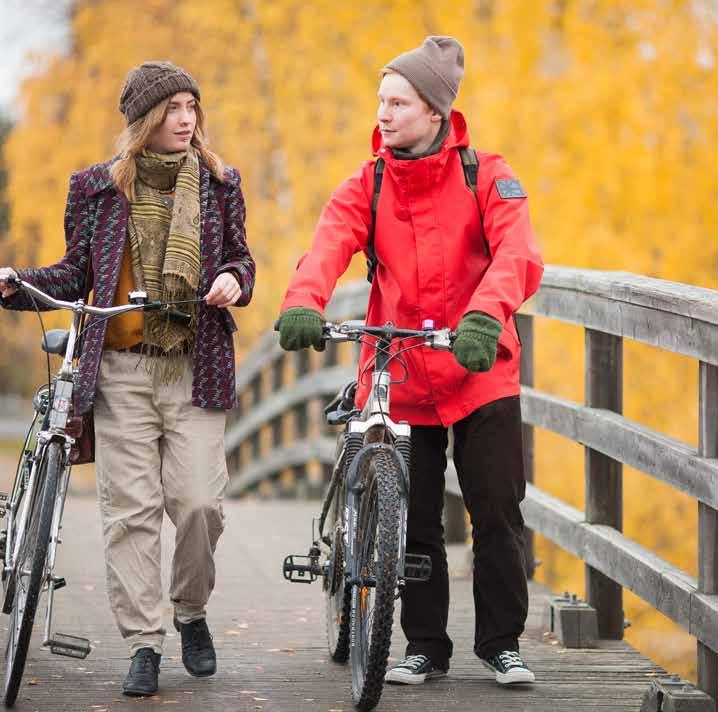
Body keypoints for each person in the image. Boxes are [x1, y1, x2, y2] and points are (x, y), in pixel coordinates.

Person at [277, 36, 544, 686]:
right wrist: (304, 299)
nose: (384, 114)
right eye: (381, 101)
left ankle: (502, 644)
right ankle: (424, 646)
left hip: (479, 365)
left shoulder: (487, 174)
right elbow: (328, 243)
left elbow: (519, 253)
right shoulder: (368, 182)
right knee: (412, 518)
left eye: (398, 102)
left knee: (497, 511)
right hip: (400, 372)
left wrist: (485, 315)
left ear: (434, 112)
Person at [0, 61, 255, 697]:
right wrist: (18, 285)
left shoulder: (221, 185)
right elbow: (75, 273)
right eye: (173, 109)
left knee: (199, 505)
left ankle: (190, 611)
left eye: (193, 107)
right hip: (118, 372)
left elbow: (240, 259)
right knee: (130, 514)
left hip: (195, 368)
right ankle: (144, 641)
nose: (187, 119)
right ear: (144, 120)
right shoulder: (94, 190)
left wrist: (234, 280)